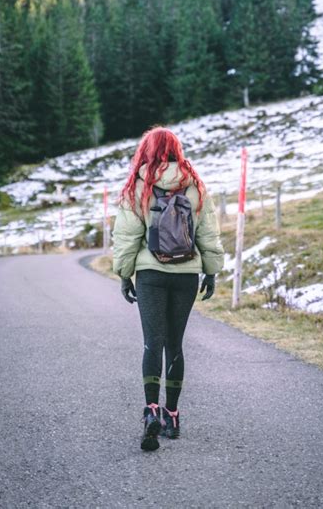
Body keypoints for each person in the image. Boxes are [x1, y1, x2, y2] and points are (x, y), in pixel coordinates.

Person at [113, 126, 224, 451]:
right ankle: (172, 415)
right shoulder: (194, 183)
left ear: (146, 150)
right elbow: (207, 232)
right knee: (175, 345)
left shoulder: (139, 185)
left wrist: (124, 273)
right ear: (177, 148)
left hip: (151, 274)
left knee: (153, 343)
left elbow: (127, 236)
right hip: (186, 274)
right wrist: (211, 271)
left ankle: (150, 412)